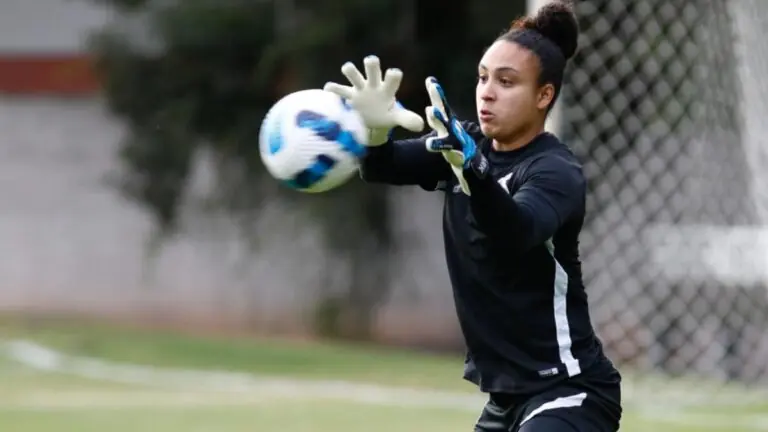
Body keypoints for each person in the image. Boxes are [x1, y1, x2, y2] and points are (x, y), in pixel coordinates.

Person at [323, 1, 622, 431]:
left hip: (571, 390)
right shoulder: (464, 146)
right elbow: (381, 166)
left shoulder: (555, 171)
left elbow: (516, 230)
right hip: (505, 400)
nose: (487, 91)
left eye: (506, 81)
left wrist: (473, 171)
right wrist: (372, 131)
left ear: (544, 96)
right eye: (483, 77)